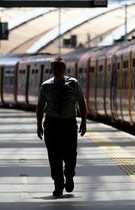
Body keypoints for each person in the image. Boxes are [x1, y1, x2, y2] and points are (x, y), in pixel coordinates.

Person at [36, 57, 87, 197]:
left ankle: (69, 175)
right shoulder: (45, 86)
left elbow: (81, 103)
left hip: (68, 125)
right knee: (54, 157)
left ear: (64, 69)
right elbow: (40, 106)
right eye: (55, 69)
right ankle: (58, 184)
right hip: (52, 125)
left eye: (60, 68)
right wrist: (39, 125)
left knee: (71, 154)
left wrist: (83, 122)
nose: (57, 71)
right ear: (51, 70)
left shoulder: (73, 84)